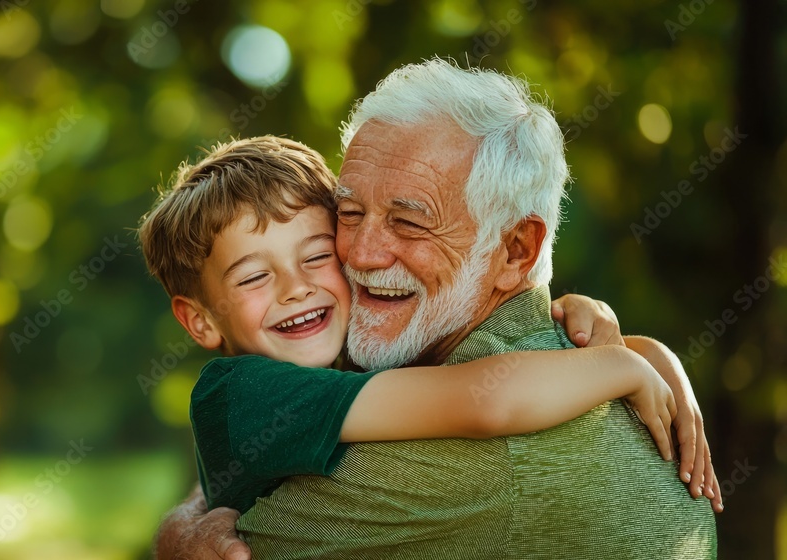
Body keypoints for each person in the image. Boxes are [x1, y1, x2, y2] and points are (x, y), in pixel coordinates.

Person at [156, 60, 720, 559]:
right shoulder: (574, 369)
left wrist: (639, 358)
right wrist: (636, 358)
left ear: (516, 250)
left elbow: (489, 398)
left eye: (408, 222)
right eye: (349, 215)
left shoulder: (447, 466)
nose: (361, 254)